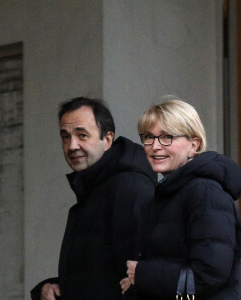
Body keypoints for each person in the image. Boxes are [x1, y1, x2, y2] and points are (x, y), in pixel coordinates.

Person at [120, 98, 241, 299]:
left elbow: (210, 274)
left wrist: (143, 275)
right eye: (148, 137)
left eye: (167, 137)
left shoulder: (205, 191)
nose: (155, 146)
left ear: (194, 144)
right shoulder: (166, 193)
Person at [30, 97, 155, 300]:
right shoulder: (93, 189)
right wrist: (51, 288)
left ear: (107, 139)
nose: (72, 146)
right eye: (65, 136)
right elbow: (98, 276)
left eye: (82, 135)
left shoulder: (129, 188)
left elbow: (139, 279)